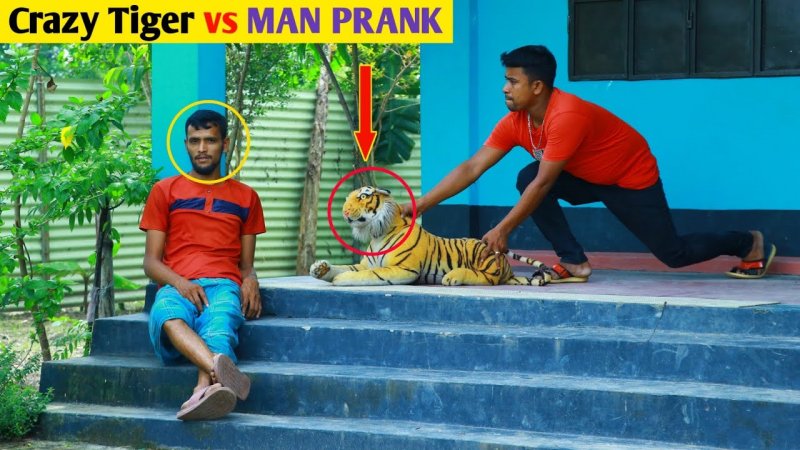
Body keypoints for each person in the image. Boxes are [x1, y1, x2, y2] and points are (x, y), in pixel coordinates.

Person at [403, 45, 775, 282]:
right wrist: (419, 205)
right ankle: (574, 262)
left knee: (673, 255)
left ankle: (748, 242)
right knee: (526, 176)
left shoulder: (566, 115)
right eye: (505, 80)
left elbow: (544, 184)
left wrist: (502, 230)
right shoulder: (516, 121)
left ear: (537, 87)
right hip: (584, 174)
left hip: (629, 177)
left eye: (512, 82)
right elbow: (472, 168)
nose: (505, 88)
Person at [140, 109, 266, 420]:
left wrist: (251, 279)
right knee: (166, 314)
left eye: (210, 140)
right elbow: (150, 262)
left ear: (225, 144)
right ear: (185, 144)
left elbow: (246, 265)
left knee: (220, 325)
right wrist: (181, 284)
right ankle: (218, 375)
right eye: (194, 141)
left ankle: (201, 390)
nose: (202, 148)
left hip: (223, 284)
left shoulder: (247, 197)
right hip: (177, 284)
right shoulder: (164, 191)